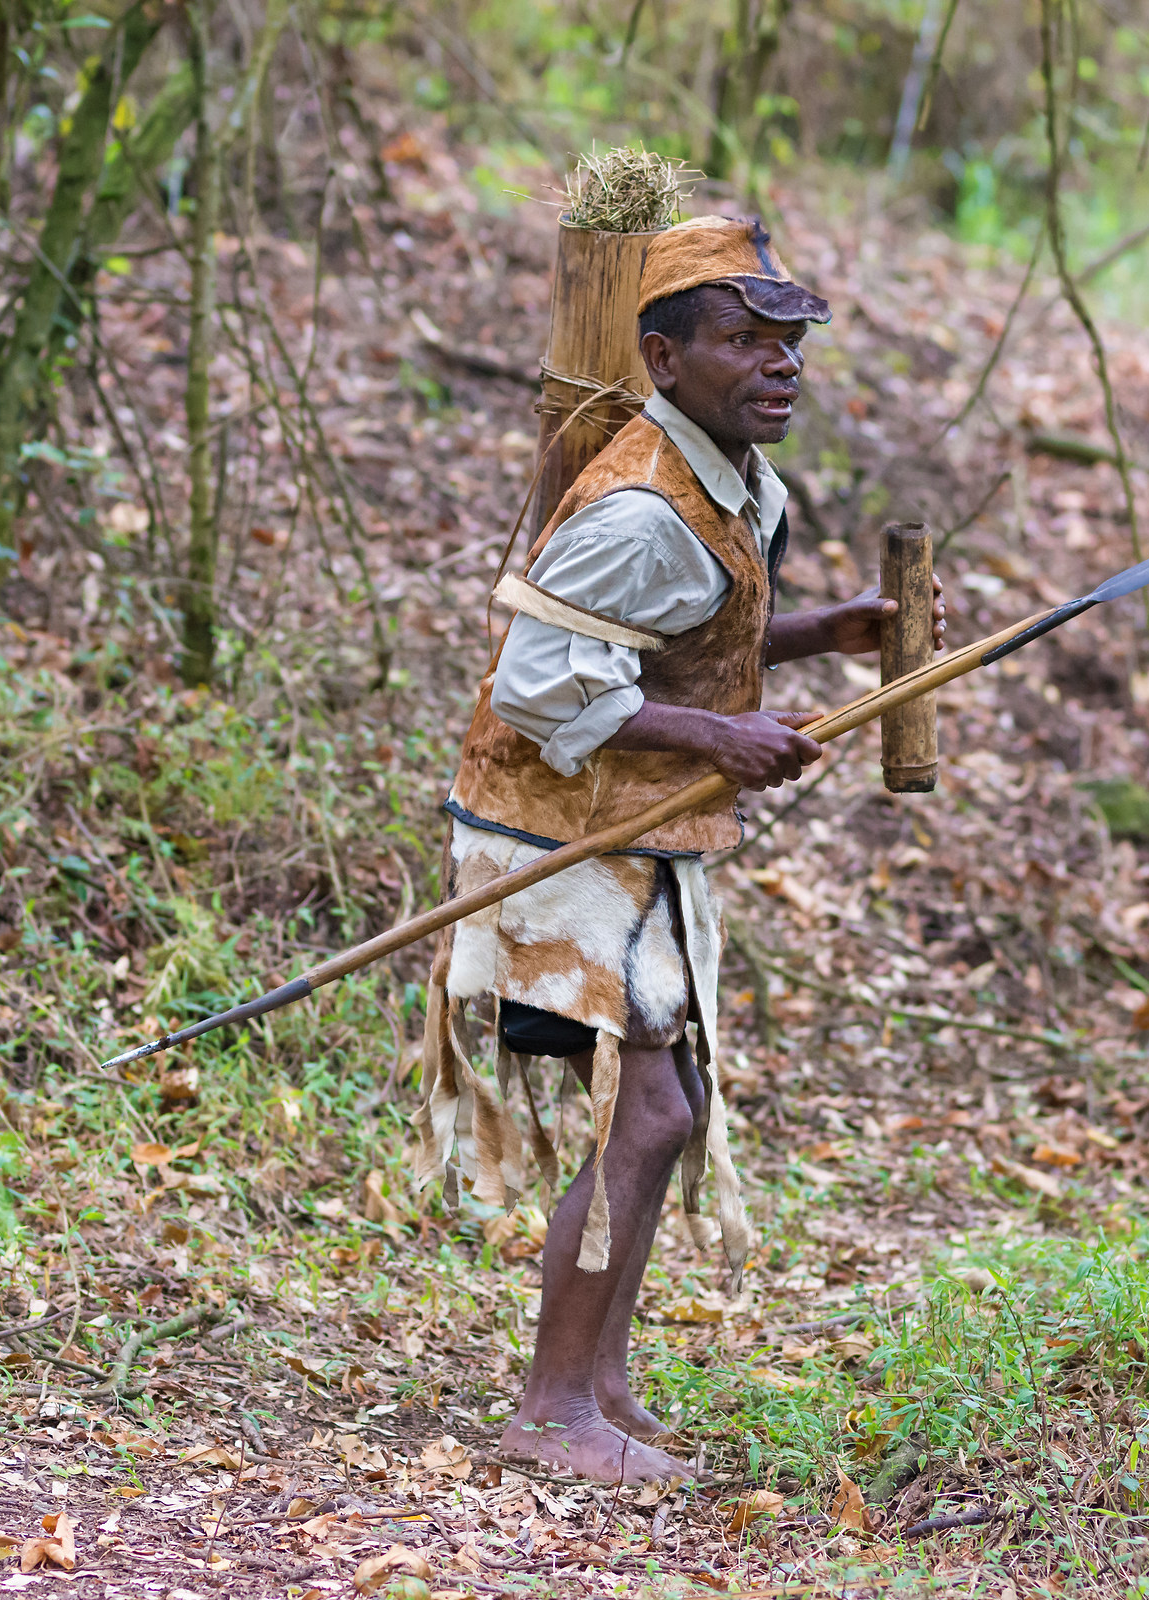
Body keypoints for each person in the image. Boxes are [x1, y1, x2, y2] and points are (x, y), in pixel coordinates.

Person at [411, 216, 942, 1485]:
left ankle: (596, 1383)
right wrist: (721, 733)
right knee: (644, 1111)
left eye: (789, 340)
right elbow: (543, 681)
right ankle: (551, 1410)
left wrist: (828, 633)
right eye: (742, 341)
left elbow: (677, 633)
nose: (780, 363)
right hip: (561, 835)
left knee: (662, 1108)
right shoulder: (643, 502)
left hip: (639, 828)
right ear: (661, 354)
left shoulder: (732, 478)